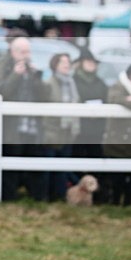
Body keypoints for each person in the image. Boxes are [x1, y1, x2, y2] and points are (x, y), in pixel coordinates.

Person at [0, 36, 48, 201]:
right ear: (13, 52)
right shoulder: (3, 67)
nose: (26, 55)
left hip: (33, 128)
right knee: (10, 166)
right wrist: (15, 75)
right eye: (22, 51)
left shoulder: (33, 71)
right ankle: (8, 199)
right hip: (11, 128)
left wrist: (37, 78)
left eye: (28, 51)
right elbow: (1, 92)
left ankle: (37, 200)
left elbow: (44, 96)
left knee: (35, 166)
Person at [71, 47, 109, 201]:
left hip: (96, 128)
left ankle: (97, 196)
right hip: (80, 128)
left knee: (96, 160)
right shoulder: (74, 80)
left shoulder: (100, 82)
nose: (92, 65)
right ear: (81, 63)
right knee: (77, 159)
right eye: (88, 61)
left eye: (93, 62)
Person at [42, 53, 80, 201]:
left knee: (63, 166)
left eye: (68, 62)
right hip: (52, 130)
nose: (66, 64)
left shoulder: (72, 83)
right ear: (55, 65)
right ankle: (46, 197)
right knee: (49, 165)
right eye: (62, 62)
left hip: (68, 130)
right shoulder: (49, 83)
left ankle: (60, 197)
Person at [102, 62, 131, 207]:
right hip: (117, 139)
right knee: (117, 175)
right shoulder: (118, 86)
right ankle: (115, 201)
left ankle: (128, 202)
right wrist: (128, 101)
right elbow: (116, 99)